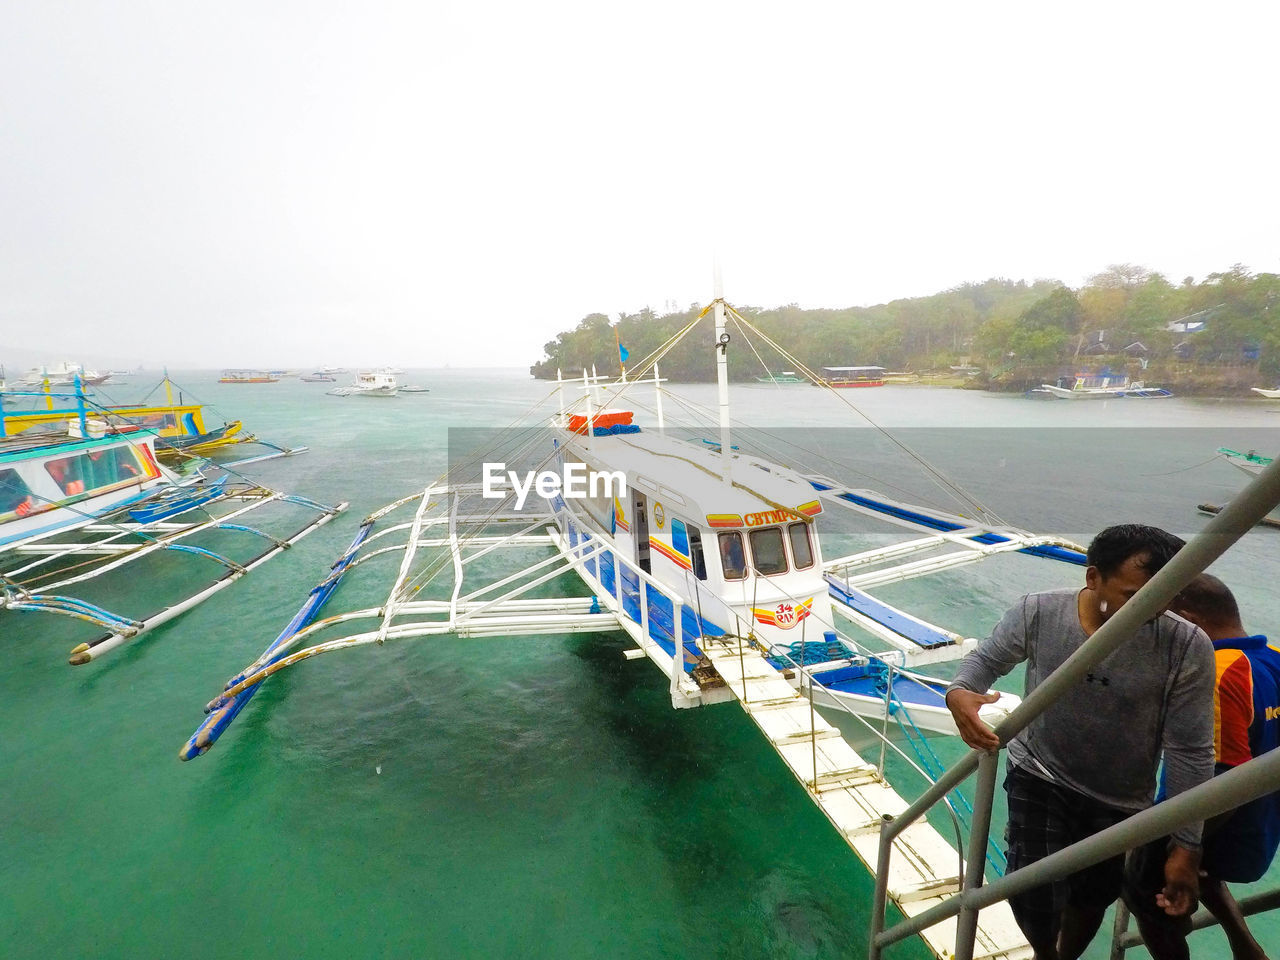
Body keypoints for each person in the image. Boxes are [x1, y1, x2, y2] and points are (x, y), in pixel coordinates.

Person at [945, 524, 1216, 960]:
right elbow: (986, 659)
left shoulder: (1185, 645)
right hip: (1040, 771)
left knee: (1093, 897)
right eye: (1134, 596)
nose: (1153, 610)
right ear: (1093, 578)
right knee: (1031, 885)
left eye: (1167, 597)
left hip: (1120, 798)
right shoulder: (1040, 612)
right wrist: (959, 693)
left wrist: (1186, 843)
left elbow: (1190, 750)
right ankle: (1045, 953)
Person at [1123, 574, 1280, 960]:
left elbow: (1223, 783)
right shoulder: (1273, 656)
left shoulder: (1218, 671)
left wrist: (1181, 849)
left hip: (1222, 825)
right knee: (1200, 875)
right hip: (1261, 825)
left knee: (1149, 890)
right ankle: (1247, 948)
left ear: (1188, 620)